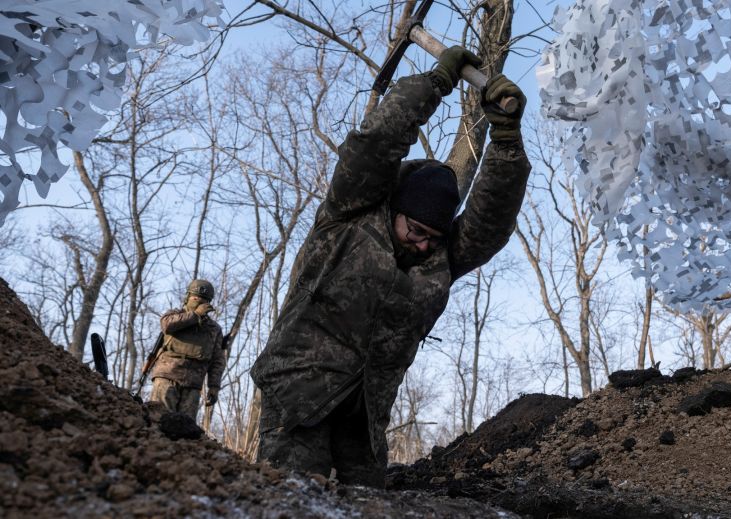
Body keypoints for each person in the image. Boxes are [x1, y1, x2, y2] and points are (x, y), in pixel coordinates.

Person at [250, 46, 531, 487]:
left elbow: (491, 220)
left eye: (433, 238)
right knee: (291, 500)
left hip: (363, 422)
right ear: (396, 209)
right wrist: (437, 83)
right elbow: (377, 142)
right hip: (298, 399)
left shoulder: (440, 262)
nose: (422, 244)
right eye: (415, 229)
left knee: (366, 506)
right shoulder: (349, 213)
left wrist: (507, 139)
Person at [149, 279, 226, 419]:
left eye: (204, 300)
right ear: (188, 297)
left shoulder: (213, 329)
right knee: (158, 420)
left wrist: (214, 386)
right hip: (167, 376)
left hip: (193, 384)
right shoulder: (174, 315)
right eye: (196, 298)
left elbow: (217, 360)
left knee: (184, 427)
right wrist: (195, 315)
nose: (200, 302)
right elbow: (167, 325)